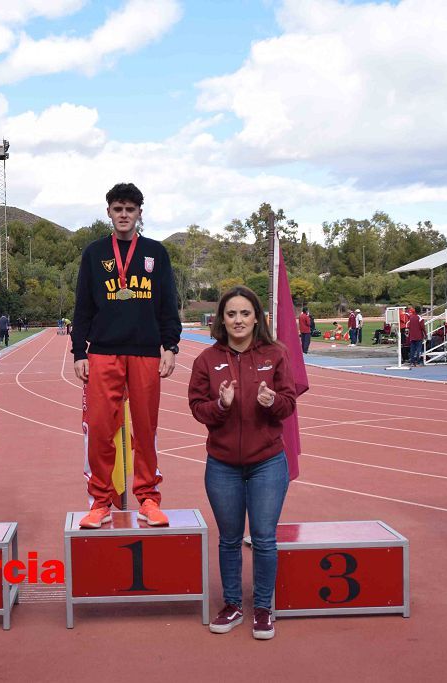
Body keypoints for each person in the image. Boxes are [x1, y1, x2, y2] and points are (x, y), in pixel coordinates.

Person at [188, 286, 297, 641]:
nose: (238, 320)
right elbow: (197, 408)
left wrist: (271, 401)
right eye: (231, 314)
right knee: (230, 540)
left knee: (264, 539)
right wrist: (220, 405)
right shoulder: (206, 360)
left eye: (245, 313)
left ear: (256, 318)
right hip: (222, 465)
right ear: (221, 319)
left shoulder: (275, 354)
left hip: (267, 462)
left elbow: (289, 402)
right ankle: (232, 604)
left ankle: (263, 609)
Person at [71, 182, 181, 528]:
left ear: (139, 214)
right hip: (103, 352)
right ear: (108, 212)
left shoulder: (155, 253)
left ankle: (148, 498)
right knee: (101, 429)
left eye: (129, 209)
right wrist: (79, 351)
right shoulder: (94, 253)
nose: (123, 215)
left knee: (146, 430)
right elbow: (83, 307)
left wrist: (171, 345)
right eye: (117, 209)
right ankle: (100, 501)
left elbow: (167, 303)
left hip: (146, 352)